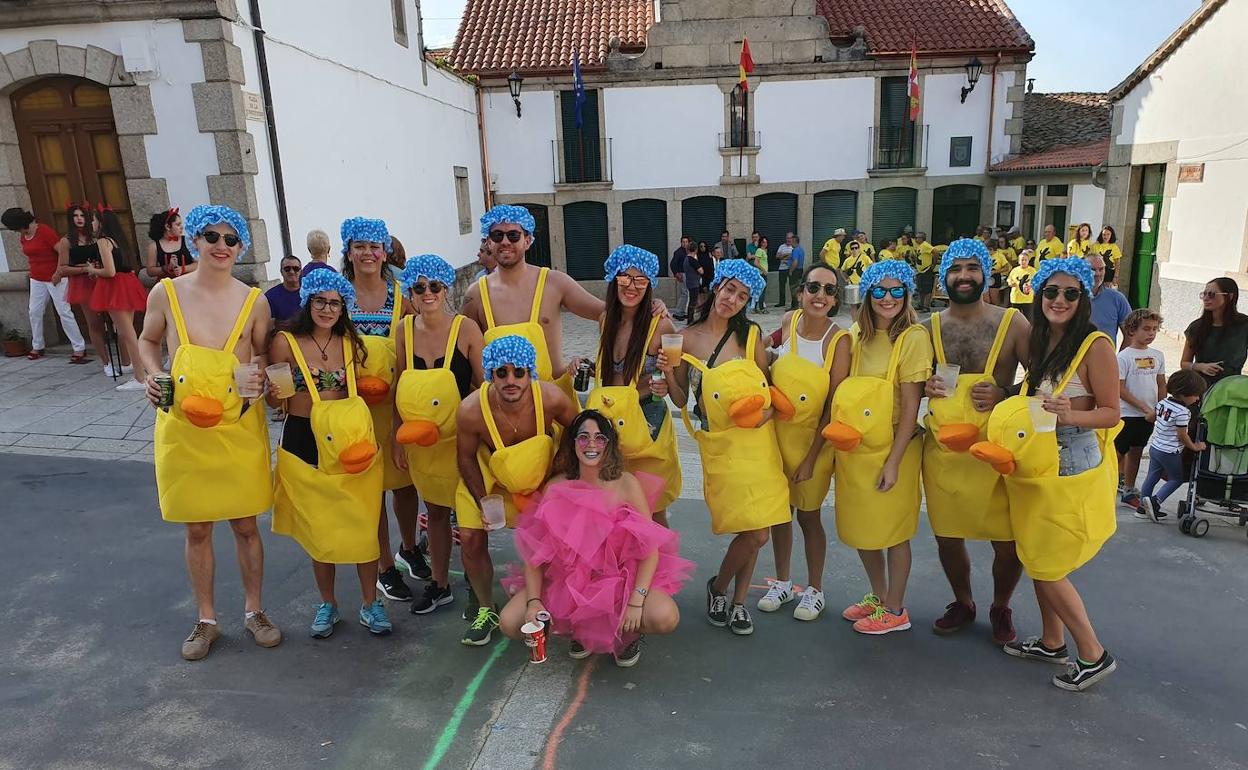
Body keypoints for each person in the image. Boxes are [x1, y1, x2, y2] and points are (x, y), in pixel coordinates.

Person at [138, 204, 280, 661]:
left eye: (231, 239)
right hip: (184, 428)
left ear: (241, 247)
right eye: (212, 237)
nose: (221, 246)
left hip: (237, 426)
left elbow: (262, 353)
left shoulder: (254, 299)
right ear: (194, 240)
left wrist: (259, 376)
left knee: (244, 524)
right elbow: (147, 341)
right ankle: (205, 619)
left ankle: (255, 611)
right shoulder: (166, 293)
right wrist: (152, 375)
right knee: (197, 527)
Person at [973, 257, 1120, 691]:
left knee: (1046, 562)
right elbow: (1030, 394)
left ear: (1084, 299)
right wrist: (1004, 394)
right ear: (1039, 295)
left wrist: (1070, 412)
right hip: (1037, 459)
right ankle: (1053, 641)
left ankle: (1093, 654)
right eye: (1051, 292)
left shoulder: (1096, 346)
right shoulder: (1043, 340)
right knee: (1036, 553)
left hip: (1069, 463)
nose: (1059, 300)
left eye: (1070, 293)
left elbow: (1111, 413)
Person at [499, 410, 692, 666]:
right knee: (510, 622)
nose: (591, 444)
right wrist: (534, 602)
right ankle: (580, 631)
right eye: (583, 437)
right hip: (567, 585)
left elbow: (649, 550)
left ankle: (630, 633)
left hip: (621, 581)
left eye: (600, 437)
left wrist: (636, 602)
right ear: (572, 442)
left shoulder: (626, 485)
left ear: (609, 444)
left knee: (665, 617)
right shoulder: (556, 487)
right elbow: (536, 557)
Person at [659, 259, 790, 636]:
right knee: (747, 528)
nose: (732, 299)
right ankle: (718, 588)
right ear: (717, 287)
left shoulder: (750, 335)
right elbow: (682, 401)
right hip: (719, 445)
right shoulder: (685, 337)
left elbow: (765, 387)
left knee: (759, 529)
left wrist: (766, 416)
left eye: (743, 296)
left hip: (758, 443)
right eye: (729, 289)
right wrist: (667, 371)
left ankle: (736, 600)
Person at [267, 269, 391, 636]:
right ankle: (329, 604)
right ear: (308, 301)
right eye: (320, 301)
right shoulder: (285, 342)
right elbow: (280, 398)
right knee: (319, 528)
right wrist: (272, 392)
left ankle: (371, 603)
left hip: (351, 439)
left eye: (334, 302)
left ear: (343, 307)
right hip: (303, 437)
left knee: (363, 524)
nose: (326, 308)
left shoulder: (351, 342)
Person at [922, 239, 1030, 645]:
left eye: (972, 268)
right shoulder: (928, 327)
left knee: (1007, 541)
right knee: (948, 536)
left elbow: (1041, 383)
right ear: (943, 277)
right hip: (945, 453)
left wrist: (1006, 393)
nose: (963, 276)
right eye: (955, 269)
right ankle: (963, 602)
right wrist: (926, 385)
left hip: (996, 451)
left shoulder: (1013, 323)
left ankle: (1001, 605)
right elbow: (907, 383)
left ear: (986, 274)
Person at [824, 261, 932, 635]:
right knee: (862, 527)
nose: (889, 298)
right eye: (880, 291)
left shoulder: (914, 338)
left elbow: (910, 408)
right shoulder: (856, 334)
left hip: (893, 448)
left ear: (908, 294)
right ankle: (879, 594)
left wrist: (894, 461)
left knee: (894, 530)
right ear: (868, 296)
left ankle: (896, 609)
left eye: (897, 290)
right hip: (855, 450)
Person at [455, 335, 579, 645]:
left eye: (519, 372)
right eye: (502, 372)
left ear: (530, 373)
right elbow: (465, 457)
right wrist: (483, 501)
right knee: (469, 536)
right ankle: (486, 608)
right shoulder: (471, 410)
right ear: (489, 373)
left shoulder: (550, 398)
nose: (511, 380)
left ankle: (565, 602)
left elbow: (579, 429)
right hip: (491, 479)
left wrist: (557, 473)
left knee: (567, 534)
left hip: (539, 476)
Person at [758, 263, 852, 621]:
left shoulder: (839, 341)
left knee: (809, 517)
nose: (820, 296)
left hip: (815, 443)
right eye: (814, 287)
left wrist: (813, 457)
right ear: (801, 291)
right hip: (777, 439)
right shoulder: (788, 322)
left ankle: (814, 589)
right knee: (781, 515)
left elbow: (832, 405)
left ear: (835, 300)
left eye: (829, 291)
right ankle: (782, 582)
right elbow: (760, 351)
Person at [392, 255, 485, 615]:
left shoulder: (465, 329)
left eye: (435, 286)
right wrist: (394, 435)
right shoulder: (403, 330)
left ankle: (479, 591)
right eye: (419, 287)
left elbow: (485, 387)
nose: (427, 293)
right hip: (421, 446)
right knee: (435, 513)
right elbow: (400, 381)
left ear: (446, 288)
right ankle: (440, 583)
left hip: (460, 444)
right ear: (410, 292)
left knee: (471, 518)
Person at [339, 217, 423, 603]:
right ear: (349, 251)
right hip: (355, 408)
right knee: (371, 490)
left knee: (405, 484)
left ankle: (409, 547)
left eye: (375, 246)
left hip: (395, 404)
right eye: (360, 246)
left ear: (386, 252)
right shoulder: (338, 297)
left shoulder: (403, 294)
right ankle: (385, 567)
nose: (368, 253)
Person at [587, 245, 682, 528]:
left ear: (650, 284)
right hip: (611, 420)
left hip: (646, 424)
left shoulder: (660, 326)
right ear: (613, 279)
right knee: (614, 505)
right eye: (624, 277)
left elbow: (675, 380)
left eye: (640, 280)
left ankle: (658, 571)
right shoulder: (606, 321)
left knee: (652, 509)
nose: (632, 286)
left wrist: (665, 381)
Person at [1, 206, 86, 363]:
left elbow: (62, 251)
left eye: (14, 228)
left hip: (56, 277)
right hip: (37, 278)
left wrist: (59, 272)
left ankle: (79, 347)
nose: (15, 232)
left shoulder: (45, 231)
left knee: (64, 312)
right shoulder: (23, 235)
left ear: (20, 223)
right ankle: (38, 345)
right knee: (34, 311)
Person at [87, 207, 150, 391]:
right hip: (127, 283)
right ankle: (140, 370)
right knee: (127, 332)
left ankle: (140, 377)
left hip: (114, 286)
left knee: (127, 334)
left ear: (101, 222)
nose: (92, 223)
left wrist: (92, 270)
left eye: (94, 219)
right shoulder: (118, 240)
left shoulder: (103, 241)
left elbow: (109, 271)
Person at [1115, 309, 1166, 514]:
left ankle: (1129, 490)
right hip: (1127, 414)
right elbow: (1119, 388)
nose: (1151, 333)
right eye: (1146, 329)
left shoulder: (1157, 355)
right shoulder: (1124, 357)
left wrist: (1161, 408)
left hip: (1149, 416)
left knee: (1137, 451)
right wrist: (1144, 407)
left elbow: (1161, 383)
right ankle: (1105, 488)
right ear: (1132, 330)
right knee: (1116, 454)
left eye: (1154, 329)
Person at [1140, 370, 1207, 522]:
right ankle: (1155, 502)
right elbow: (1182, 435)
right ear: (1184, 393)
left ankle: (1142, 507)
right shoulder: (1183, 412)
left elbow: (1150, 418)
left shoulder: (1162, 403)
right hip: (1170, 452)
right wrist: (1194, 446)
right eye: (1196, 395)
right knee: (1176, 479)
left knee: (1152, 475)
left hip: (1155, 447)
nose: (1197, 398)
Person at [55, 203, 113, 375]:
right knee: (94, 323)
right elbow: (62, 268)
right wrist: (84, 269)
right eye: (75, 216)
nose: (79, 219)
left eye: (82, 215)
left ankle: (123, 358)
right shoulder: (66, 241)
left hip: (101, 280)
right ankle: (106, 362)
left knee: (112, 319)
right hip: (82, 284)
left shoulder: (96, 238)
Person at [1182, 277, 1248, 386]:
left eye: (1212, 294)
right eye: (1204, 294)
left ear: (1230, 297)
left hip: (1231, 387)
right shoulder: (1196, 327)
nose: (1206, 298)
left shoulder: (1244, 325)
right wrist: (1200, 366)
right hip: (1201, 388)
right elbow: (1184, 363)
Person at [1087, 254, 1131, 345]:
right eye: (1092, 269)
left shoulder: (1117, 298)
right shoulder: (1071, 297)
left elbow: (1130, 334)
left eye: (1101, 269)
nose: (1097, 274)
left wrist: (1119, 358)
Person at [144, 208, 197, 279]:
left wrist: (182, 269)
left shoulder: (188, 240)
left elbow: (198, 264)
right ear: (168, 227)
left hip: (188, 282)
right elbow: (150, 271)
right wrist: (165, 268)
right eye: (178, 225)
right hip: (168, 284)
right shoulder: (154, 246)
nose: (182, 227)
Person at [264, 255, 303, 322]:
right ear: (281, 272)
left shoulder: (310, 293)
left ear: (301, 271)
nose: (292, 272)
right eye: (287, 269)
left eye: (296, 268)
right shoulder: (270, 297)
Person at [1007, 250, 1037, 319]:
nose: (1023, 261)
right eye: (1022, 260)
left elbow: (1037, 282)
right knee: (1015, 319)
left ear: (1028, 261)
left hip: (1027, 299)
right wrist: (1011, 283)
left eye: (1025, 260)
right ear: (1019, 261)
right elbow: (1009, 280)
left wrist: (1030, 285)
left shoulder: (1033, 270)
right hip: (1016, 299)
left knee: (1028, 319)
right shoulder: (1014, 270)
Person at [683, 238, 705, 320]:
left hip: (689, 282)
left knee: (693, 301)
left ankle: (692, 318)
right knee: (693, 302)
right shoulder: (692, 260)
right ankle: (690, 319)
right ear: (696, 250)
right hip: (694, 283)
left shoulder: (686, 259)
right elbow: (701, 271)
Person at [913, 231, 936, 311]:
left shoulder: (926, 245)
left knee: (927, 289)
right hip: (920, 270)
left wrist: (933, 264)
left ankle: (926, 306)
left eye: (917, 238)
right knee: (921, 289)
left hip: (926, 270)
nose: (916, 239)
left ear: (922, 238)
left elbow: (935, 251)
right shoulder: (919, 246)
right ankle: (921, 304)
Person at [989, 236, 1014, 307]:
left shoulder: (999, 255)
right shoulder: (985, 255)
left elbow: (1006, 267)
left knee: (995, 300)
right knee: (986, 300)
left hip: (996, 276)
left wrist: (995, 272)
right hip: (986, 276)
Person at [670, 236, 691, 321]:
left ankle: (682, 312)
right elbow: (672, 264)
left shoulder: (688, 251)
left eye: (686, 242)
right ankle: (678, 312)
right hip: (682, 274)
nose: (685, 243)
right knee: (684, 293)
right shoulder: (678, 252)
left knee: (686, 294)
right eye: (683, 242)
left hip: (688, 274)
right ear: (681, 242)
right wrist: (676, 273)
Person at [773, 232, 794, 308]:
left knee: (792, 286)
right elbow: (777, 256)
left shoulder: (794, 247)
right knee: (781, 286)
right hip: (782, 269)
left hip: (790, 269)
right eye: (787, 238)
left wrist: (784, 257)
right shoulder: (782, 246)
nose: (789, 239)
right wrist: (787, 255)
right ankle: (782, 302)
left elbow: (793, 257)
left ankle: (793, 303)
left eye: (790, 238)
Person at [786, 235, 806, 310]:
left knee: (793, 289)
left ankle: (794, 306)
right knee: (798, 287)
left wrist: (791, 271)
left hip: (795, 271)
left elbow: (795, 262)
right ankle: (796, 305)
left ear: (794, 241)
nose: (790, 243)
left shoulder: (795, 250)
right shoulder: (801, 250)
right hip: (800, 270)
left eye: (791, 241)